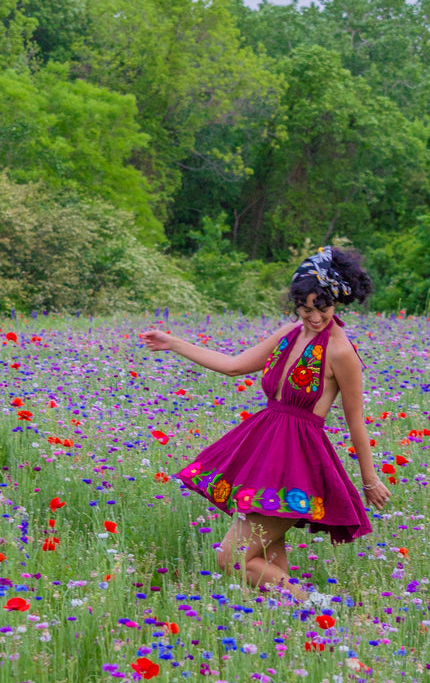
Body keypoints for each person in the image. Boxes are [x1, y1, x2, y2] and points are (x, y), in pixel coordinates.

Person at [138, 246, 390, 599]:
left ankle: (321, 608)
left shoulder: (340, 351)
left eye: (323, 308)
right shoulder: (289, 333)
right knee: (266, 560)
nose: (314, 317)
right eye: (305, 309)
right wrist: (173, 343)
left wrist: (369, 479)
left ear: (337, 303)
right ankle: (292, 621)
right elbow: (234, 365)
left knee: (233, 558)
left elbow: (355, 420)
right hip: (266, 450)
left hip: (297, 462)